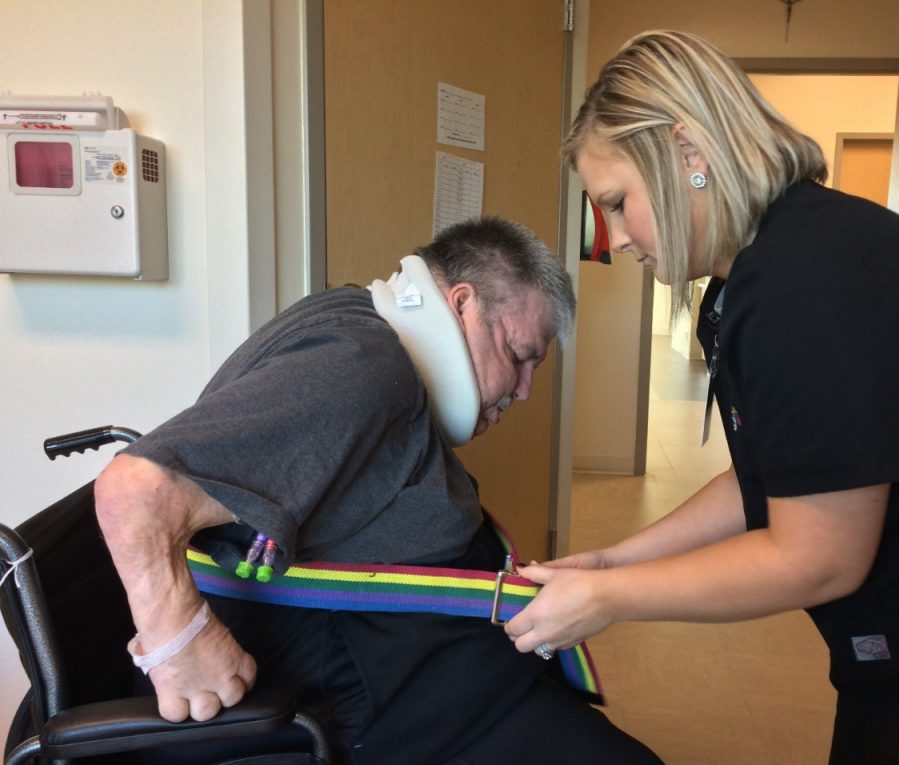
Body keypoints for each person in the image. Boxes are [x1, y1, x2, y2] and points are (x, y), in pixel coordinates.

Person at [505, 30, 899, 764]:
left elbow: (820, 556)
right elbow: (770, 475)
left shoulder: (810, 279)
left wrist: (613, 600)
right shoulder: (749, 280)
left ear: (688, 153)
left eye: (618, 204)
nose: (615, 239)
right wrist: (613, 563)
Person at [94, 216, 662, 765]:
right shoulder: (362, 365)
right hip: (379, 701)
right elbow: (134, 491)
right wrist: (179, 644)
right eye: (518, 356)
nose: (524, 389)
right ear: (462, 302)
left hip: (432, 678)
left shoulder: (358, 318)